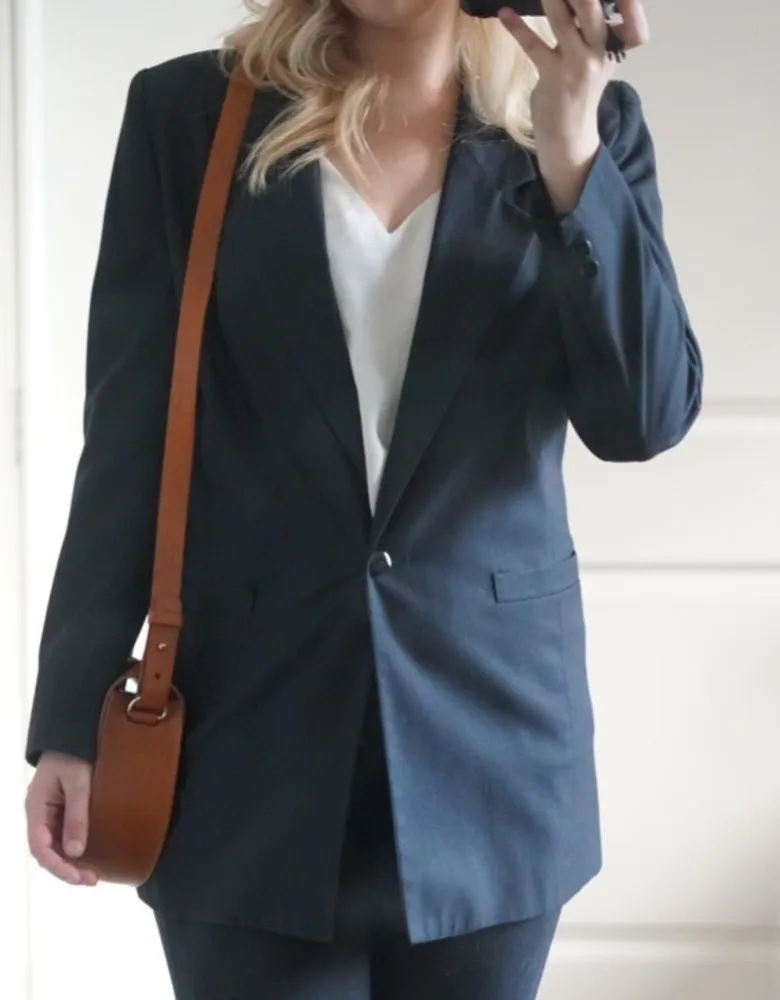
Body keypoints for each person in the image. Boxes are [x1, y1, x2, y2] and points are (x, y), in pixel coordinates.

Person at [23, 0, 703, 997]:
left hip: (491, 752)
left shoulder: (582, 125)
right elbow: (130, 433)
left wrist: (571, 154)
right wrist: (70, 713)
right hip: (243, 749)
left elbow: (643, 418)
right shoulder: (190, 117)